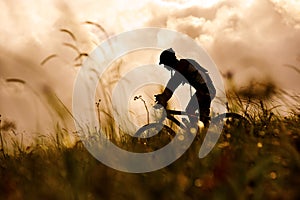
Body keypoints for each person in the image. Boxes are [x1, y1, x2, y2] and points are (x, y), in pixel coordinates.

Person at [155, 48, 216, 128]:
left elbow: (173, 84)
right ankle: (199, 133)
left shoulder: (182, 66)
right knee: (197, 114)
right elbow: (172, 85)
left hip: (205, 91)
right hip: (205, 91)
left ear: (169, 62)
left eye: (165, 64)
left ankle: (197, 133)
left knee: (191, 111)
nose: (165, 67)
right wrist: (163, 97)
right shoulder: (182, 66)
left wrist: (163, 97)